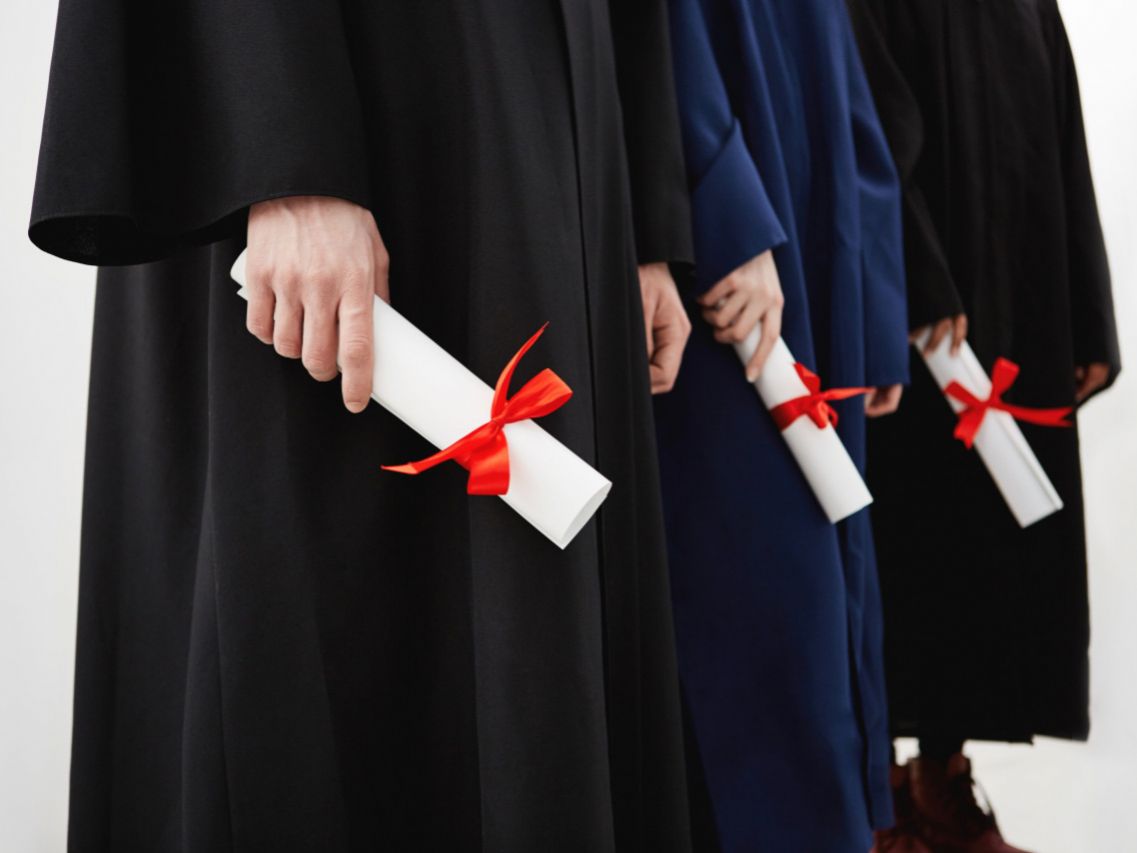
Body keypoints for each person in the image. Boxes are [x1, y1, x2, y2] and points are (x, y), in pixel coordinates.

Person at [29, 1, 699, 849]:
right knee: (321, 637)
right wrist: (281, 149)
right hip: (352, 96)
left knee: (532, 645)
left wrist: (644, 214)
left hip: (554, 119)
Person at [848, 1, 1121, 850]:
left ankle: (942, 777)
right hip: (911, 315)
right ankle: (878, 796)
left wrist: (1088, 317)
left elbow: (1062, 136)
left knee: (987, 553)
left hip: (1019, 298)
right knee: (904, 540)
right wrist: (912, 277)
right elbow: (863, 124)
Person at [656, 0, 910, 848]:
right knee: (759, 572)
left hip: (809, 230)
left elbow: (853, 106)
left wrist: (875, 310)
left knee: (831, 589)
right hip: (732, 237)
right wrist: (720, 211)